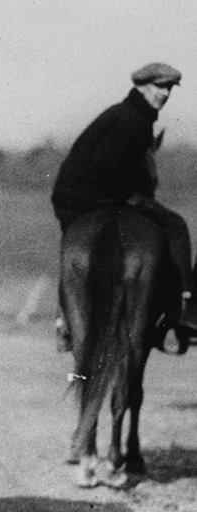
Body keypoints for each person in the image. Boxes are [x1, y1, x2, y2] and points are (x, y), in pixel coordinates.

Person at [51, 62, 197, 352]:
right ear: (142, 87)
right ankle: (185, 310)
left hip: (73, 198)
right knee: (176, 226)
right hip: (96, 196)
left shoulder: (126, 114)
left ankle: (63, 319)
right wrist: (132, 198)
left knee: (74, 247)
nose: (165, 93)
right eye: (159, 87)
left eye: (168, 88)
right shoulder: (133, 121)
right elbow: (108, 164)